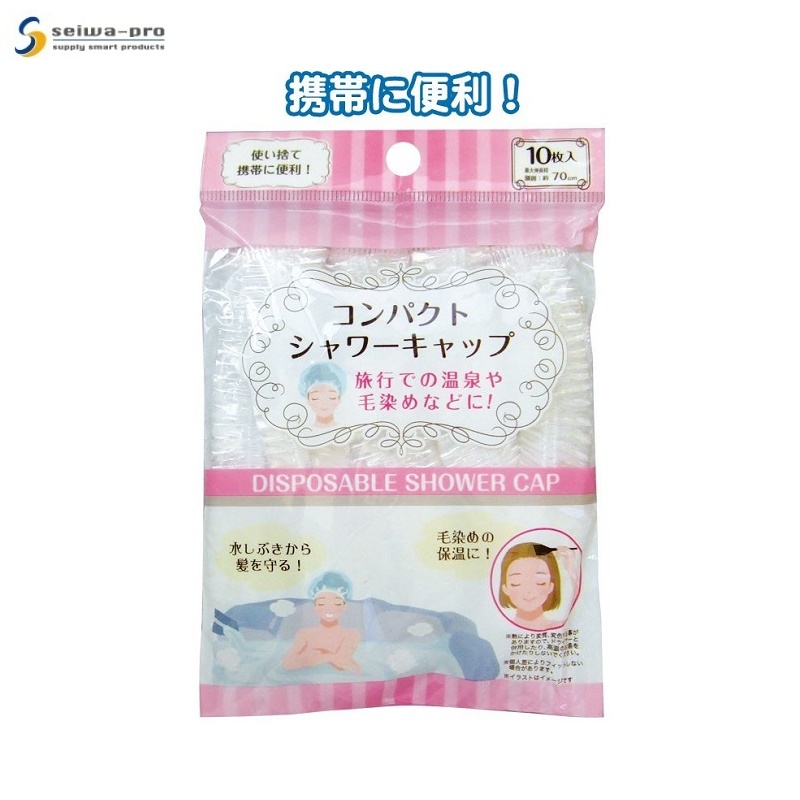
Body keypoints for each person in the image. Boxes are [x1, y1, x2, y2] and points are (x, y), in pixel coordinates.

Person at [282, 571, 361, 673]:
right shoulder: (304, 633)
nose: (329, 608)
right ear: (314, 606)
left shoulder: (351, 634)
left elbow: (341, 663)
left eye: (336, 603)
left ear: (344, 606)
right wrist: (329, 656)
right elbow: (288, 663)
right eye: (322, 603)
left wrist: (313, 655)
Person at [498, 543, 564, 631]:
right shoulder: (497, 631)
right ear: (505, 588)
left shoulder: (564, 627)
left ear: (551, 586)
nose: (528, 590)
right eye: (516, 582)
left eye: (540, 582)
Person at [298, 362, 346, 428]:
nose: (324, 404)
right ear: (308, 400)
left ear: (339, 399)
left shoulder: (348, 428)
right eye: (315, 398)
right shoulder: (303, 431)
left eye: (331, 397)